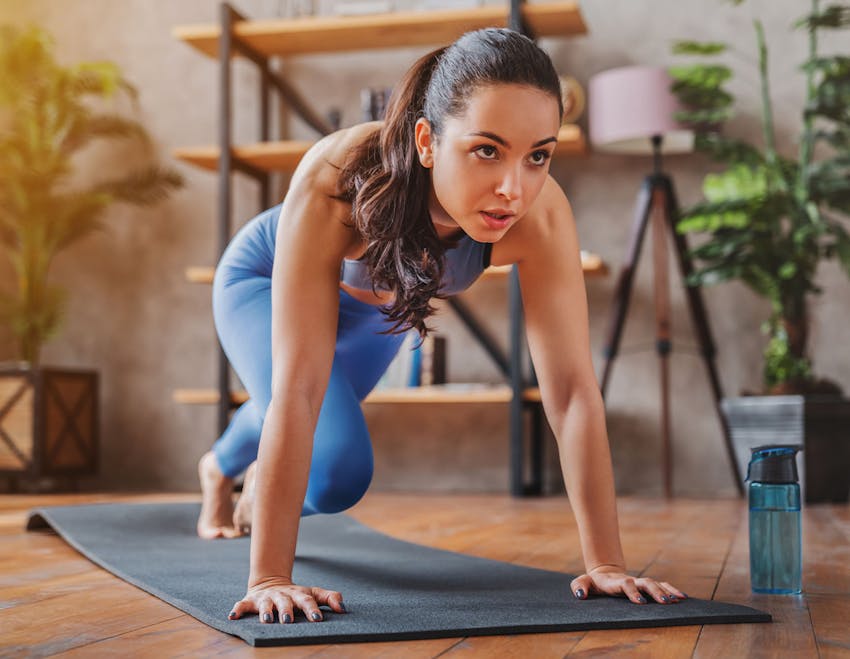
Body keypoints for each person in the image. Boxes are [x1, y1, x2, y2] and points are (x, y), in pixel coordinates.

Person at [196, 28, 687, 625]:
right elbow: (299, 390)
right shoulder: (339, 174)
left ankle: (227, 464)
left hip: (380, 307)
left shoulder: (541, 215)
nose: (514, 188)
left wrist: (606, 563)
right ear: (428, 141)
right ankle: (224, 468)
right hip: (263, 284)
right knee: (337, 471)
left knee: (326, 464)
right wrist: (270, 577)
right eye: (487, 149)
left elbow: (573, 393)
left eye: (538, 154)